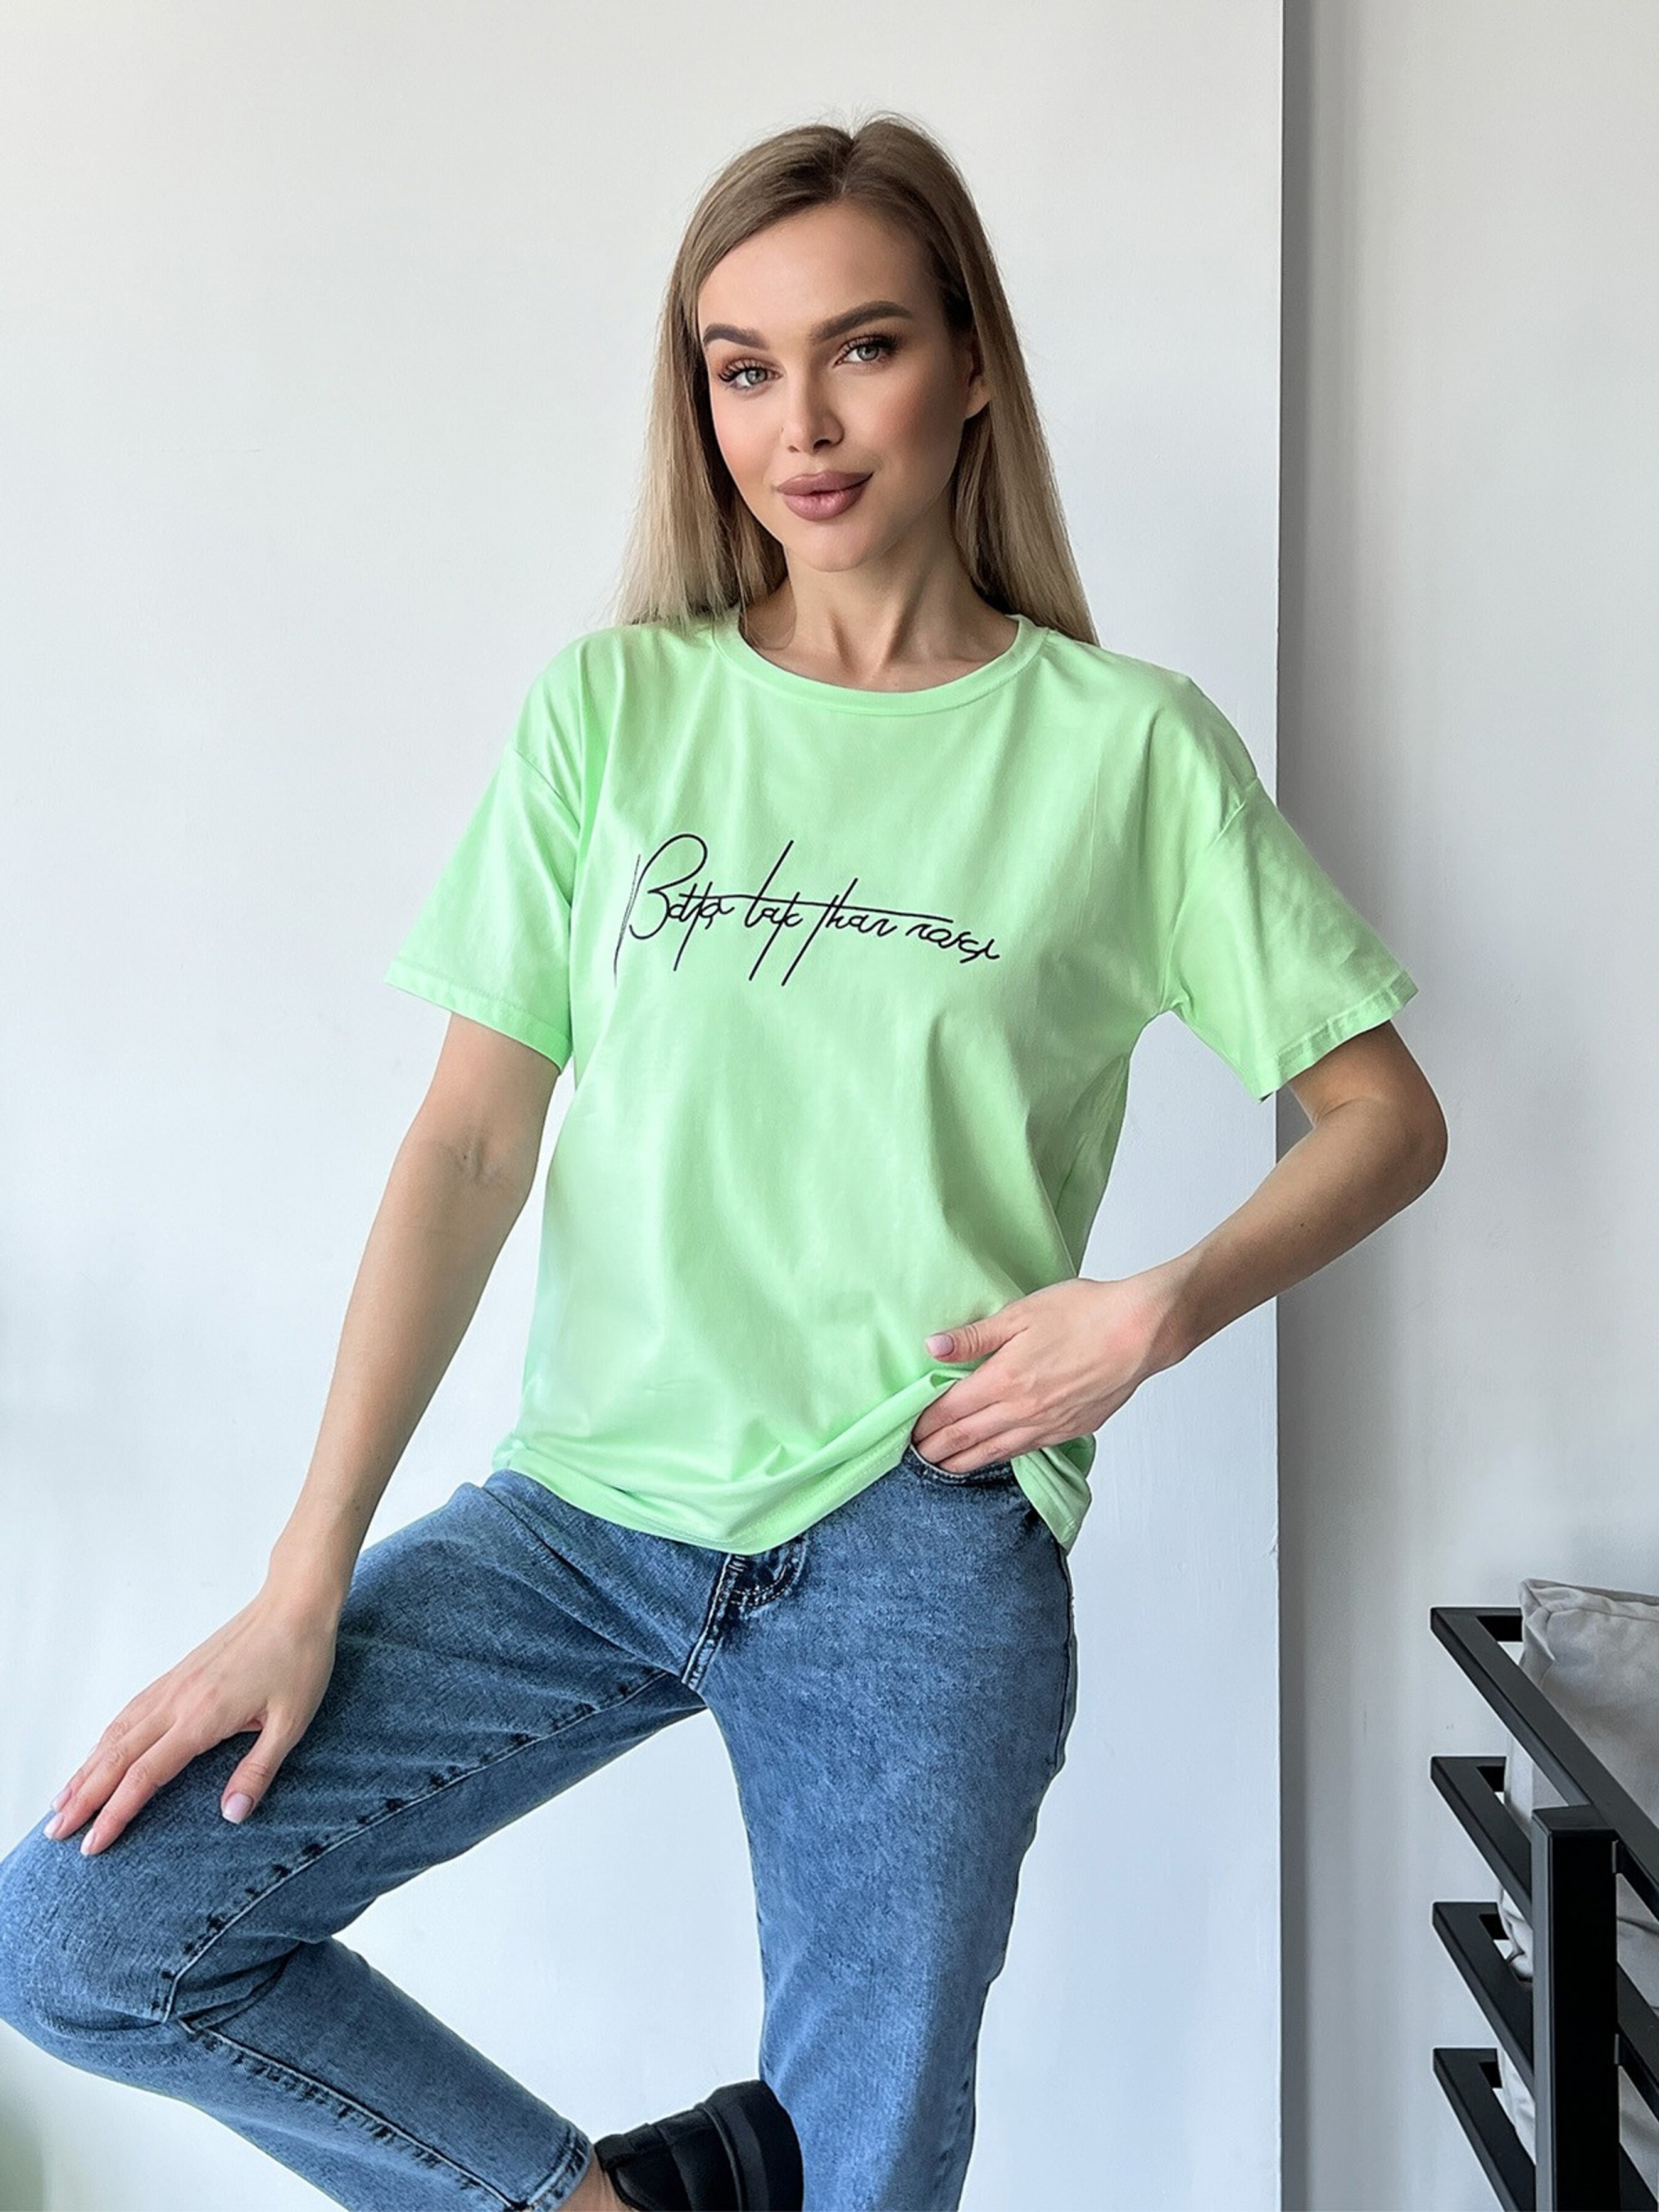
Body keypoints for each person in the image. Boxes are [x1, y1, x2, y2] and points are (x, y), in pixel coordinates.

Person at [0, 111, 1448, 2212]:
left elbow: (1382, 1115)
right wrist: (302, 1579)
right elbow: (467, 1144)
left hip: (914, 1533)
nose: (801, 426)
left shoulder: (1124, 750)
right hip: (585, 1511)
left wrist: (1148, 1313)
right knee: (85, 1937)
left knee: (865, 2170)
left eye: (861, 348)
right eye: (741, 367)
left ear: (968, 362)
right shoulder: (612, 715)